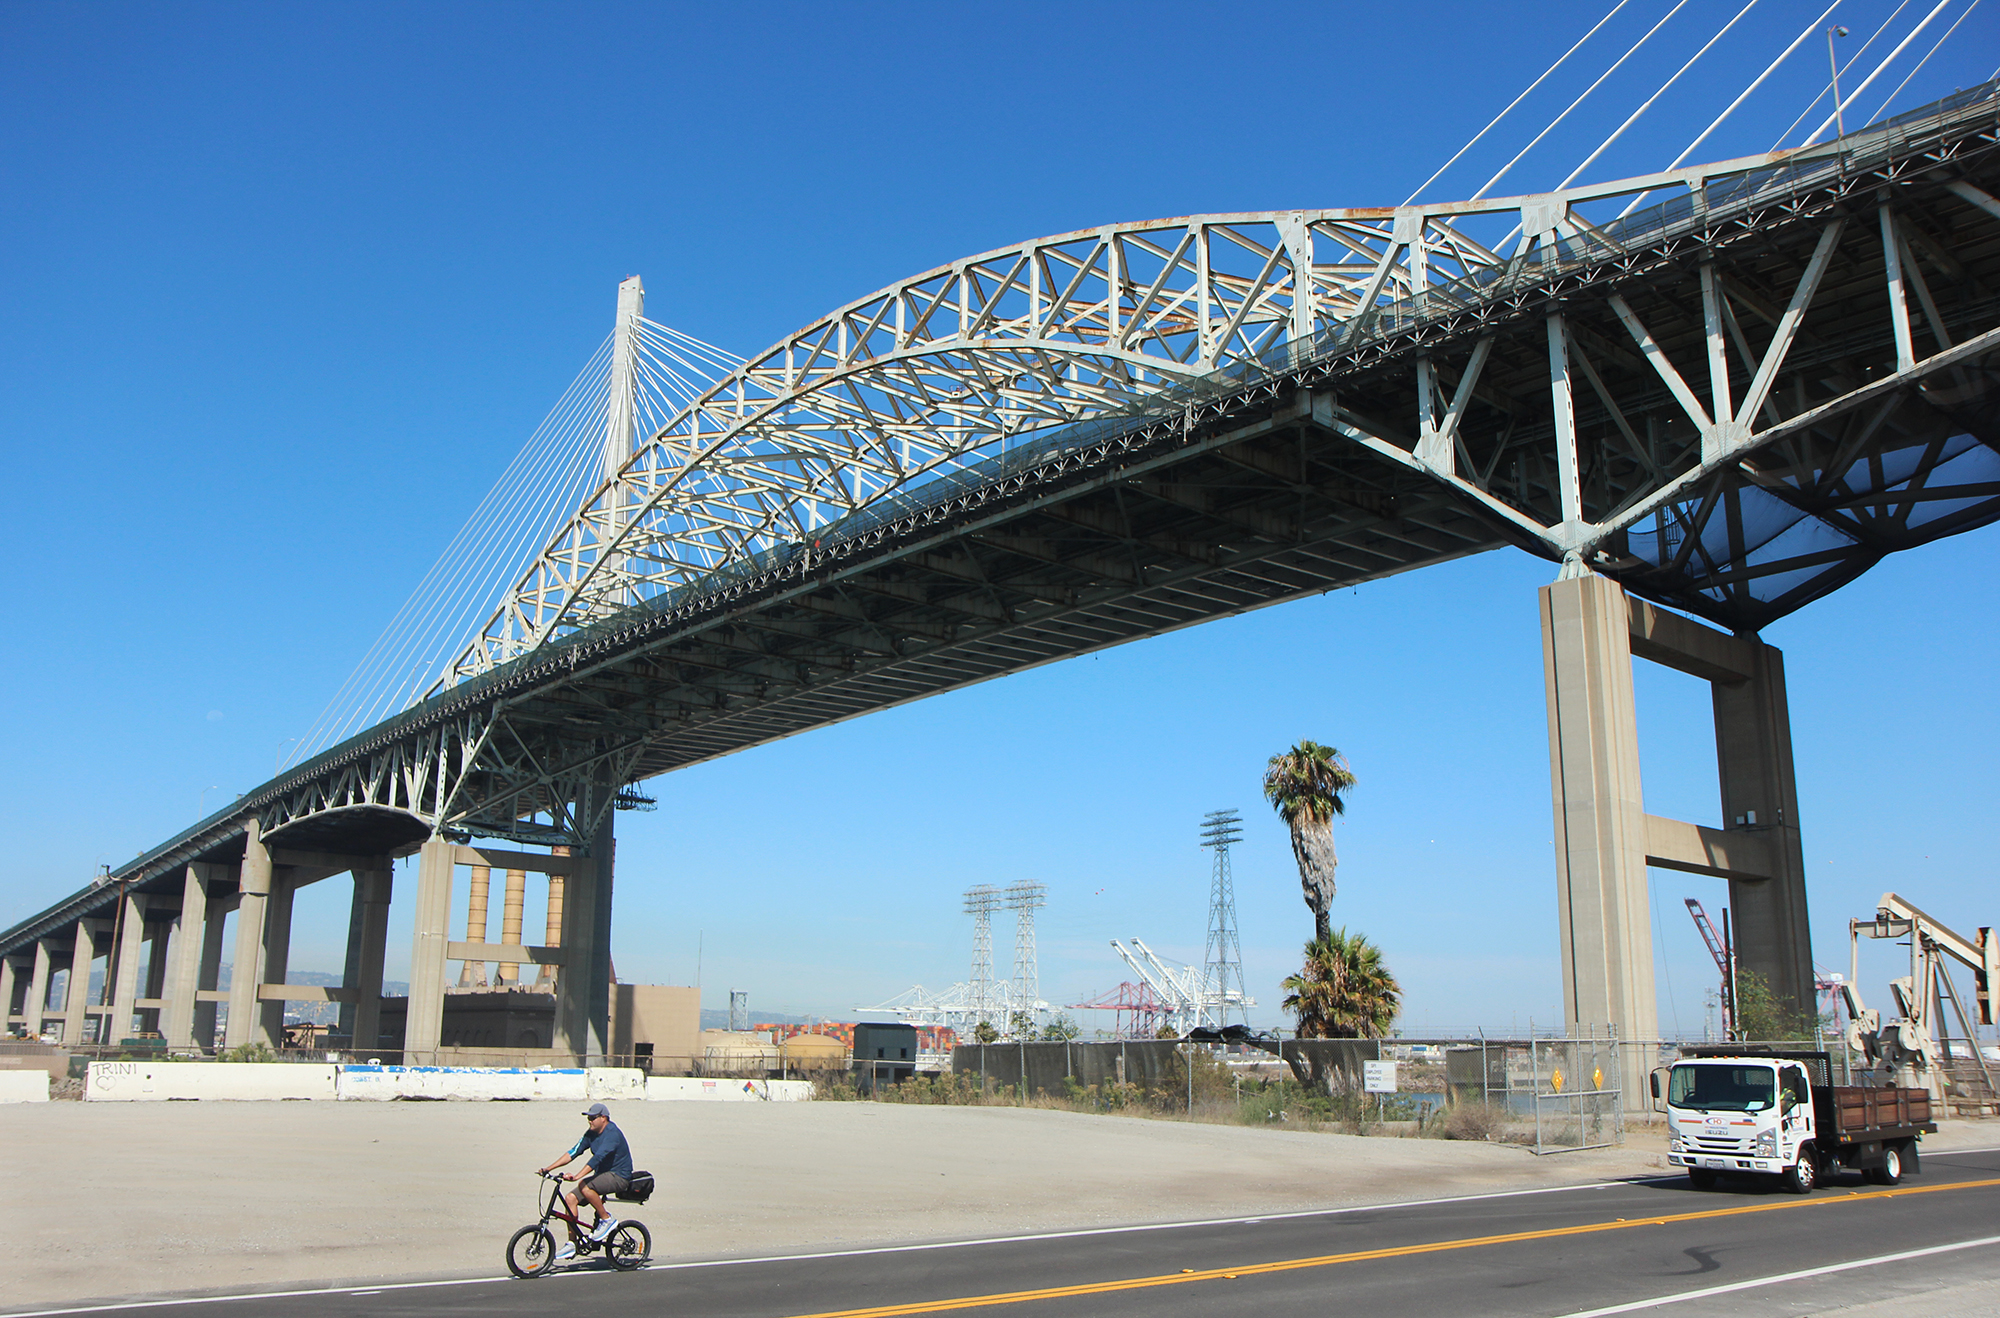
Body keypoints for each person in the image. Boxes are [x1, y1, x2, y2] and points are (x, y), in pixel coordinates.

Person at [538, 1102, 633, 1258]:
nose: (589, 1121)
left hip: (619, 1176)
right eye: (588, 1118)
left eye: (593, 1118)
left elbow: (597, 1158)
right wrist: (548, 1168)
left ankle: (606, 1219)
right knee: (570, 1198)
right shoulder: (591, 1134)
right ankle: (572, 1244)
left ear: (603, 1118)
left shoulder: (612, 1134)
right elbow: (573, 1152)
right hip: (602, 1176)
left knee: (584, 1185)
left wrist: (577, 1176)